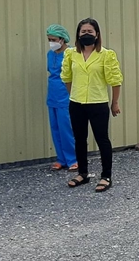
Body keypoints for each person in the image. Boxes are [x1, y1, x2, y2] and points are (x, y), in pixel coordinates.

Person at [61, 18, 123, 193]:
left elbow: (115, 80)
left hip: (98, 103)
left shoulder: (106, 55)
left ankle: (106, 176)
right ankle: (83, 173)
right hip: (77, 103)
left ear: (97, 34)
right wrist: (73, 95)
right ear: (78, 34)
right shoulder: (71, 54)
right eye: (83, 32)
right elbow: (66, 77)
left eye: (90, 31)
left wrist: (114, 103)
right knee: (79, 139)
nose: (86, 34)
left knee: (102, 139)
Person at [46, 24, 77, 171]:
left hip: (65, 95)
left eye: (53, 39)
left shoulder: (71, 54)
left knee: (66, 129)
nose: (51, 42)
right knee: (55, 128)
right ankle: (61, 159)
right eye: (49, 39)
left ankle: (73, 159)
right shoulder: (50, 54)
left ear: (62, 39)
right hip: (52, 94)